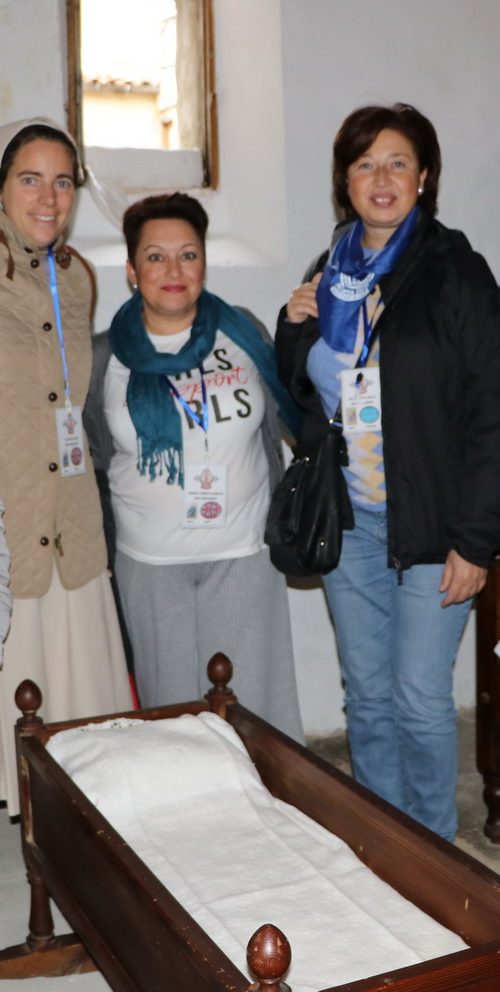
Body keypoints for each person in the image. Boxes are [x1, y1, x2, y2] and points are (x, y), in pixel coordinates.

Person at [275, 103, 500, 841]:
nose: (381, 178)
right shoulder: (328, 270)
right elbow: (305, 394)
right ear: (345, 181)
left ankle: (433, 853)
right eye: (365, 163)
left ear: (424, 176)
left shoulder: (457, 272)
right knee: (368, 696)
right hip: (351, 521)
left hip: (434, 526)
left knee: (419, 698)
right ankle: (382, 842)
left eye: (398, 162)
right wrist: (292, 327)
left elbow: (491, 413)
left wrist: (476, 539)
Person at [83, 192, 304, 740]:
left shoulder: (244, 332)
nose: (174, 271)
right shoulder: (104, 356)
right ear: (132, 271)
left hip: (243, 555)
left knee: (255, 720)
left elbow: (293, 412)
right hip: (150, 565)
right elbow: (93, 456)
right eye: (155, 257)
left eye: (188, 255)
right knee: (174, 727)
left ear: (204, 262)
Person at [0, 117, 132, 817]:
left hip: (73, 520)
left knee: (78, 715)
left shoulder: (77, 277)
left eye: (62, 182)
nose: (48, 198)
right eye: (30, 179)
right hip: (9, 521)